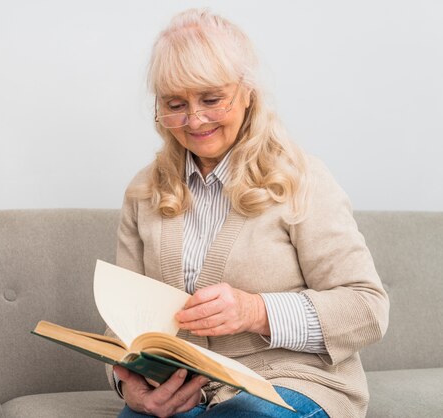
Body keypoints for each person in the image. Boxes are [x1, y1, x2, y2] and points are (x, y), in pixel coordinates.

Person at [106, 8, 390, 418]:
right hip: (182, 396)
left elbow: (366, 309)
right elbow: (122, 321)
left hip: (292, 384)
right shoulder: (144, 191)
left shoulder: (301, 178)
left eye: (211, 99)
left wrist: (256, 312)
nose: (194, 119)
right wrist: (129, 388)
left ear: (247, 92)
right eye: (175, 104)